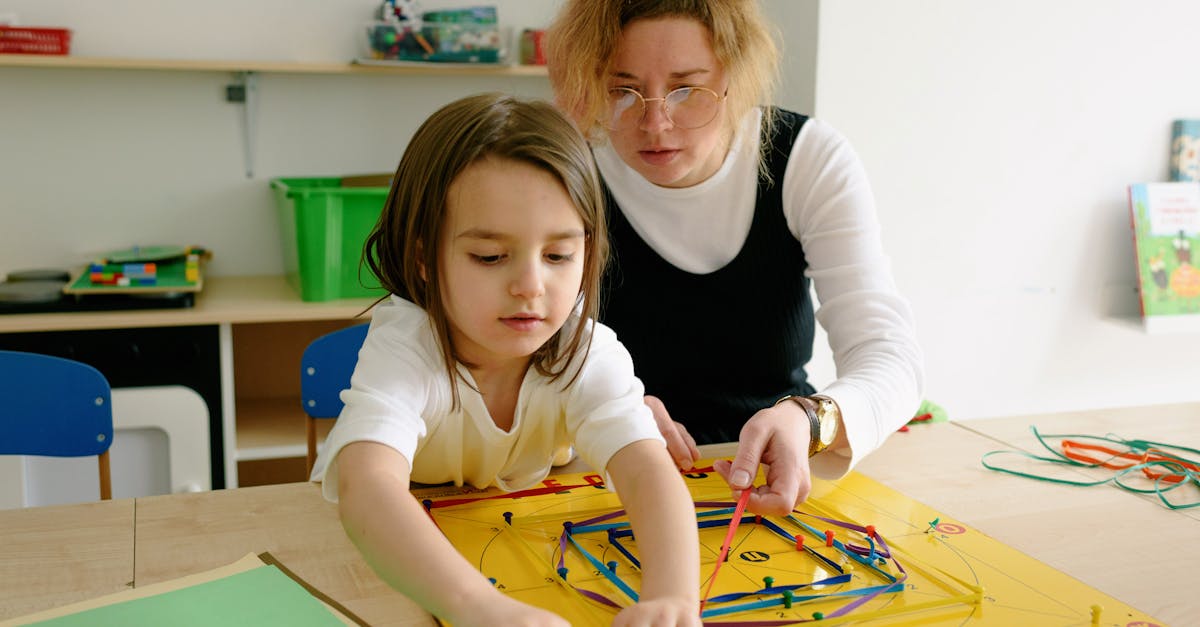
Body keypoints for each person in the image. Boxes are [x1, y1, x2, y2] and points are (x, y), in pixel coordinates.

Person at [310, 93, 701, 627]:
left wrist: (673, 600)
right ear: (424, 257)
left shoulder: (584, 349)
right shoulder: (407, 346)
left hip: (514, 529)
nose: (530, 287)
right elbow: (366, 485)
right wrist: (479, 608)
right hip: (393, 553)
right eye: (490, 257)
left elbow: (647, 471)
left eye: (560, 255)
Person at [546, 1, 925, 516]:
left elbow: (890, 356)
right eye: (622, 91)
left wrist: (810, 420)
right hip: (613, 475)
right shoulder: (567, 170)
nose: (655, 123)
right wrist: (592, 407)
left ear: (734, 77)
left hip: (776, 467)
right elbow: (515, 361)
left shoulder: (806, 159)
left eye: (686, 89)